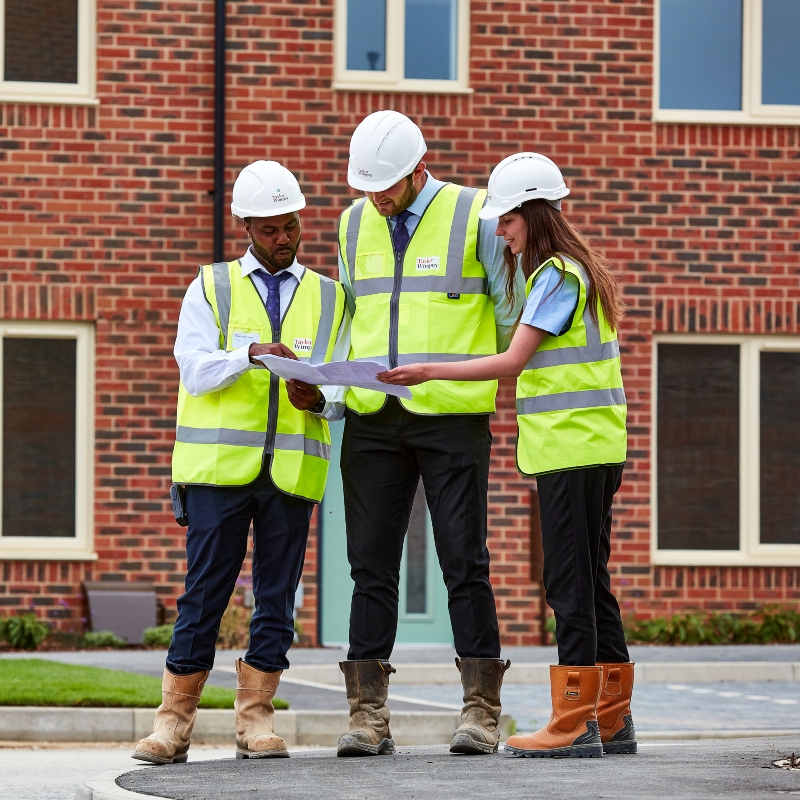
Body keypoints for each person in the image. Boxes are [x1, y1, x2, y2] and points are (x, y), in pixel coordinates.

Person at [379, 152, 636, 759]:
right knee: (592, 580)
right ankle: (613, 716)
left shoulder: (554, 276)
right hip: (596, 445)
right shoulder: (580, 271)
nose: (500, 231)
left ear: (535, 214)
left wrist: (428, 371)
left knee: (568, 584)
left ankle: (573, 723)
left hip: (570, 449)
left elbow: (511, 361)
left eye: (508, 221)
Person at [133, 160, 346, 764]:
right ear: (247, 226)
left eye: (292, 226)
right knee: (205, 595)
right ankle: (172, 723)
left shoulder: (329, 297)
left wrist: (321, 398)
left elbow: (345, 388)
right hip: (218, 474)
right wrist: (251, 353)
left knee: (277, 600)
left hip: (291, 476)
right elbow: (194, 368)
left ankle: (256, 719)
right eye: (272, 229)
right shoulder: (212, 286)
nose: (284, 239)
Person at [331, 110, 524, 758]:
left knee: (464, 561)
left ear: (420, 168)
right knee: (370, 566)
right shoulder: (354, 222)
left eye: (386, 185)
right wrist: (335, 391)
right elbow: (351, 315)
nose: (377, 198)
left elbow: (509, 315)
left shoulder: (477, 217)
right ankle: (366, 716)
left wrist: (473, 383)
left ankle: (480, 710)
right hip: (372, 416)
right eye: (368, 187)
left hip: (451, 416)